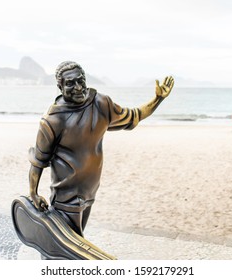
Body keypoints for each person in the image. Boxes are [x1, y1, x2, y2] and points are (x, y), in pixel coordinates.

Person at [28, 61, 174, 237]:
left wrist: (158, 99)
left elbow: (134, 115)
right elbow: (38, 161)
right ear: (60, 86)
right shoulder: (52, 120)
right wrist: (33, 194)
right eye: (70, 83)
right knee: (67, 248)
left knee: (76, 242)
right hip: (66, 197)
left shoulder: (101, 104)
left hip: (90, 191)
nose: (78, 87)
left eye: (81, 81)